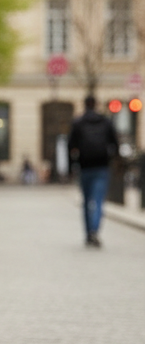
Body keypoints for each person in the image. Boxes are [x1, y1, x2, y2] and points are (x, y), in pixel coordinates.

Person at [67, 95, 118, 247]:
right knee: (98, 201)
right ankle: (95, 230)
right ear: (96, 104)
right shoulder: (106, 121)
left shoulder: (78, 122)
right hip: (102, 166)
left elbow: (70, 147)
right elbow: (115, 144)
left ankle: (88, 233)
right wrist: (113, 160)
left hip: (85, 166)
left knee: (86, 201)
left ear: (84, 105)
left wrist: (71, 167)